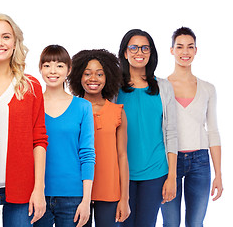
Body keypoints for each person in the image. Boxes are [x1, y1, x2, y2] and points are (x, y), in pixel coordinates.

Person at [0, 14, 48, 227]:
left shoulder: (31, 86)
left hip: (22, 189)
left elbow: (39, 140)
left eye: (6, 36)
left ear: (15, 43)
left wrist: (38, 188)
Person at [161, 27, 223, 227]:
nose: (185, 52)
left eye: (190, 47)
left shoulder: (207, 88)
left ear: (196, 50)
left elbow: (212, 131)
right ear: (171, 50)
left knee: (196, 223)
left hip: (200, 162)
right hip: (169, 162)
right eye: (179, 47)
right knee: (170, 223)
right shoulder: (161, 86)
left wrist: (218, 174)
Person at [116, 29, 178, 227]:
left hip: (155, 171)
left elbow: (171, 132)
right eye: (133, 47)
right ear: (125, 53)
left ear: (151, 53)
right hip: (121, 173)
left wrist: (172, 176)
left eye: (144, 48)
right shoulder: (114, 88)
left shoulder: (164, 87)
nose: (139, 52)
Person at [33, 45, 95, 227]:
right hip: (38, 194)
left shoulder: (83, 107)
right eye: (47, 65)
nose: (53, 71)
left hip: (73, 197)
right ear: (40, 69)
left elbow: (88, 154)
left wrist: (86, 200)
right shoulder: (32, 104)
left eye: (59, 65)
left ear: (68, 70)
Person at [68, 49, 130, 227]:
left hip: (109, 190)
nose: (93, 78)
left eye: (99, 74)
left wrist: (124, 198)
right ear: (79, 76)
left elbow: (122, 156)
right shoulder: (71, 109)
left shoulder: (118, 112)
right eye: (87, 73)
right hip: (77, 190)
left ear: (108, 77)